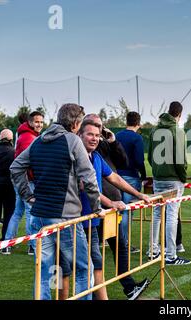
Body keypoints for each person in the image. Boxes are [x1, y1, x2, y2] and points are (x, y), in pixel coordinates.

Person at [10, 103, 100, 300]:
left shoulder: (38, 140)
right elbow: (90, 178)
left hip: (39, 216)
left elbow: (15, 167)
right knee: (84, 267)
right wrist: (96, 208)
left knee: (46, 270)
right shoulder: (73, 141)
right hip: (65, 218)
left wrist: (28, 196)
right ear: (76, 123)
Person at [58, 119, 151, 300]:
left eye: (97, 135)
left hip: (92, 220)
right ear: (79, 135)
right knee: (68, 270)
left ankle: (125, 289)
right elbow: (86, 187)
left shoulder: (96, 157)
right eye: (90, 134)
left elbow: (114, 177)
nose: (94, 138)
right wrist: (111, 203)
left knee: (95, 266)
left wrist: (139, 195)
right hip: (74, 221)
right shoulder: (76, 157)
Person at [147, 101, 191, 265]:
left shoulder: (154, 130)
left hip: (159, 178)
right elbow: (181, 160)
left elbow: (150, 156)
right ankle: (171, 254)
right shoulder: (178, 131)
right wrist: (183, 177)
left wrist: (158, 171)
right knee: (171, 216)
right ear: (179, 114)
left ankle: (152, 250)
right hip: (173, 179)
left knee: (157, 214)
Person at [5, 111, 44, 255]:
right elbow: (31, 162)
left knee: (18, 212)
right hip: (27, 181)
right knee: (30, 213)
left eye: (41, 122)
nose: (39, 124)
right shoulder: (28, 137)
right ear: (30, 122)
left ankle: (7, 244)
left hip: (21, 180)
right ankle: (32, 246)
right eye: (36, 122)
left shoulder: (28, 135)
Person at [116, 111, 147, 251]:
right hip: (131, 177)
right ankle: (124, 244)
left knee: (119, 210)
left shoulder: (117, 136)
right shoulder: (137, 138)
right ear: (138, 124)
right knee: (127, 210)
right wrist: (144, 176)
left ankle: (117, 242)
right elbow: (140, 160)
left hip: (116, 177)